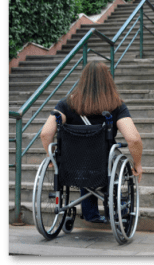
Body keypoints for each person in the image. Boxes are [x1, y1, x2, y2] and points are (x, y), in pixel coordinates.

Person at [40, 61, 143, 223]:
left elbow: (46, 133)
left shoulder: (67, 104)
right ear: (108, 80)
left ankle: (90, 214)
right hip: (103, 165)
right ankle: (116, 208)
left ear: (83, 80)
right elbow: (134, 139)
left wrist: (50, 156)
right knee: (106, 167)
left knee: (83, 162)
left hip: (72, 167)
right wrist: (137, 164)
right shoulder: (116, 106)